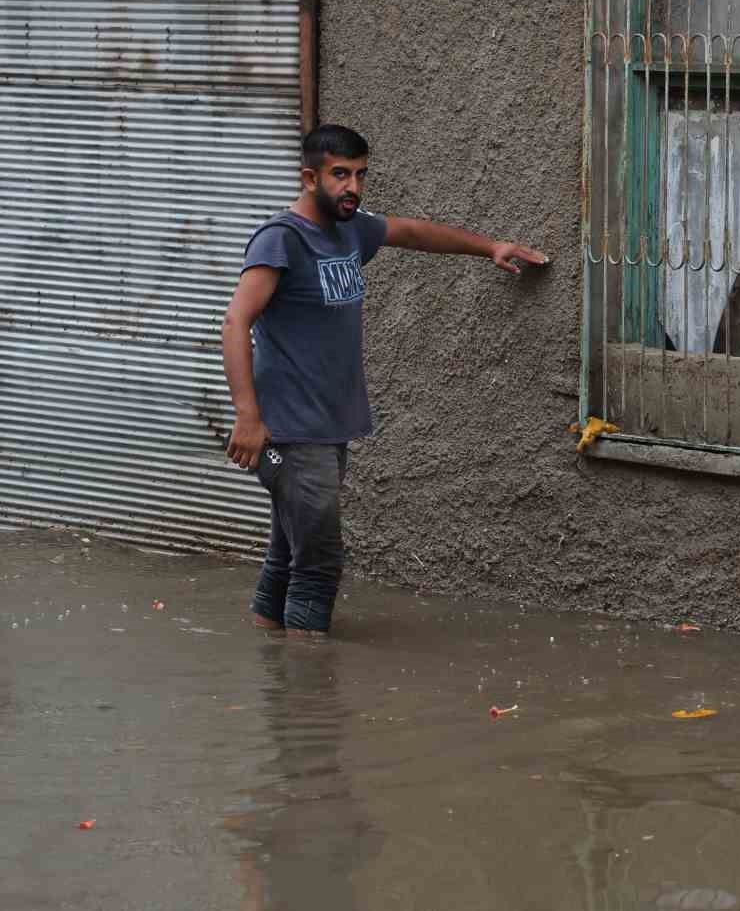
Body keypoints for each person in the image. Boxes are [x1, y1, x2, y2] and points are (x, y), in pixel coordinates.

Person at [220, 124, 548, 636]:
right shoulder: (281, 241)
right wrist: (248, 417)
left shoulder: (349, 229)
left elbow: (411, 232)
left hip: (328, 428)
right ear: (310, 177)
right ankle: (309, 697)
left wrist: (490, 248)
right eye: (340, 175)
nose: (352, 187)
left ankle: (274, 676)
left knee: (288, 554)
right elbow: (236, 321)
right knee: (320, 564)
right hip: (290, 431)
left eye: (360, 175)